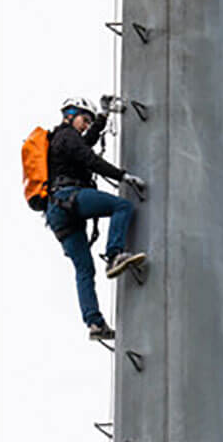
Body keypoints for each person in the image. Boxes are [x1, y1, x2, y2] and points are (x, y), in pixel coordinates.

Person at [46, 96, 147, 341]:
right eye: (84, 119)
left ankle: (94, 324)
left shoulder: (62, 140)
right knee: (122, 206)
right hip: (69, 198)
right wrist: (122, 176)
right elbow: (89, 158)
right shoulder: (66, 135)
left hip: (58, 212)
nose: (85, 124)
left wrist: (102, 118)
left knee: (84, 270)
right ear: (70, 114)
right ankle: (114, 255)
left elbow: (86, 144)